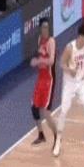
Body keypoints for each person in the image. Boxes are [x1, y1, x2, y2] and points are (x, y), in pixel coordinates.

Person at [53, 25, 84, 157]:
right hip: (70, 84)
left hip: (81, 83)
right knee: (64, 111)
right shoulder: (70, 48)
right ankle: (58, 141)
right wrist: (70, 70)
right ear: (80, 36)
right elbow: (61, 63)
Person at [30, 18, 58, 146]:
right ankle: (41, 135)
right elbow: (40, 57)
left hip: (49, 79)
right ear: (40, 29)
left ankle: (57, 136)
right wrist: (35, 61)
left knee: (46, 112)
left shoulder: (51, 41)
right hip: (40, 78)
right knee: (34, 107)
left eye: (47, 27)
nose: (46, 29)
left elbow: (51, 61)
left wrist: (39, 61)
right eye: (44, 27)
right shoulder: (39, 40)